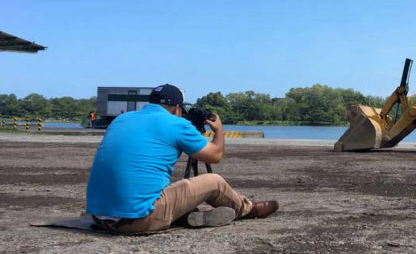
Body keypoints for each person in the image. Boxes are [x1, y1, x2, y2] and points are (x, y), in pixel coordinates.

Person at [85, 84, 278, 233]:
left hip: (98, 217)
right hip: (137, 220)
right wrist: (218, 130)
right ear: (177, 108)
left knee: (155, 185)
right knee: (214, 182)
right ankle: (248, 209)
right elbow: (215, 155)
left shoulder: (122, 119)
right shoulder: (177, 124)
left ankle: (184, 217)